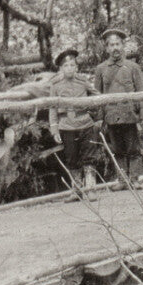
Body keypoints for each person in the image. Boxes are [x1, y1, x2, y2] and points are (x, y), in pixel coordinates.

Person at [94, 28, 143, 191]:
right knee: (117, 149)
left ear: (123, 46)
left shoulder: (132, 67)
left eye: (117, 44)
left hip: (129, 114)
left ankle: (134, 179)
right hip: (111, 115)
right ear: (106, 48)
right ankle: (122, 180)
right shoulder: (101, 69)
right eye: (111, 45)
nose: (115, 48)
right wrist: (99, 117)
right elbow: (97, 95)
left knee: (133, 148)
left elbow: (142, 91)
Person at [48, 48, 99, 201]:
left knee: (89, 157)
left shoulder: (83, 81)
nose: (69, 68)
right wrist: (54, 129)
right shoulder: (55, 84)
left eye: (72, 65)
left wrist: (93, 111)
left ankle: (91, 189)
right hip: (67, 126)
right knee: (71, 158)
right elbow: (52, 107)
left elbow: (96, 96)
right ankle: (76, 190)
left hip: (85, 124)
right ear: (61, 68)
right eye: (66, 66)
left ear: (76, 67)